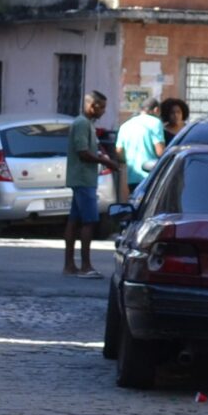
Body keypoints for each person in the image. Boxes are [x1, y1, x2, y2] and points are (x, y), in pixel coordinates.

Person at [63, 92, 123, 277]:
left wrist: (102, 158)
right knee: (89, 221)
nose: (104, 111)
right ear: (92, 105)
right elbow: (83, 152)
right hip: (83, 179)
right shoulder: (82, 123)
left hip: (84, 178)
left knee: (74, 221)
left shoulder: (87, 124)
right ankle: (85, 266)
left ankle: (70, 265)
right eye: (102, 107)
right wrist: (106, 162)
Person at [114, 97, 164, 206]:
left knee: (135, 207)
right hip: (151, 176)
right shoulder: (155, 123)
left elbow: (119, 153)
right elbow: (160, 152)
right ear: (156, 110)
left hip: (132, 177)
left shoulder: (125, 125)